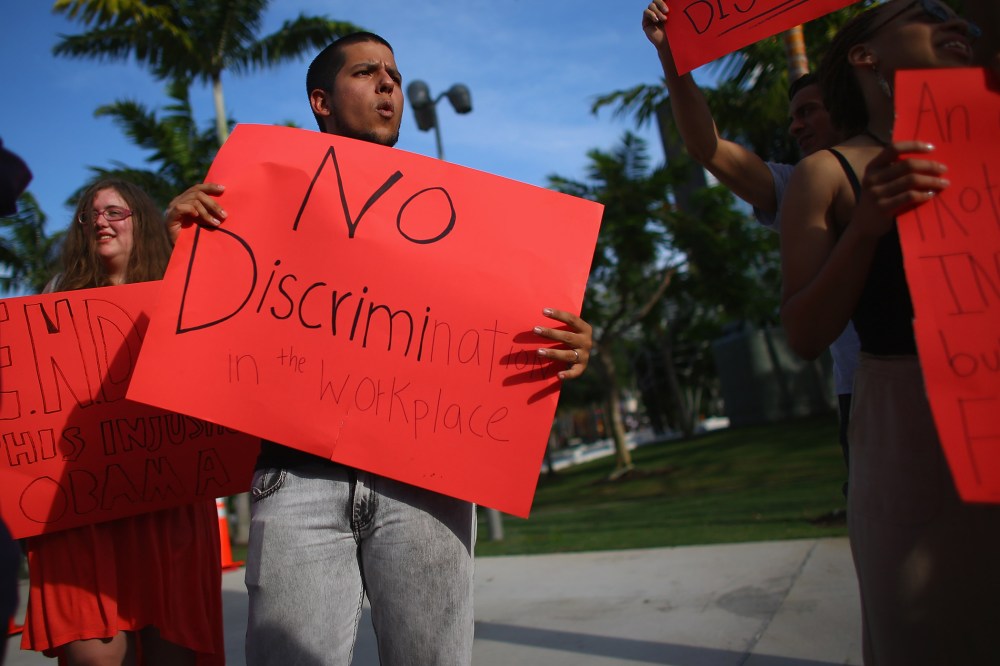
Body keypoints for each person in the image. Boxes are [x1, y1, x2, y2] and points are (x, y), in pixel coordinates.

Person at [166, 32, 594, 666]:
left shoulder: (462, 218)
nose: (388, 84)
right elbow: (213, 331)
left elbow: (495, 326)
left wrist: (569, 344)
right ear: (321, 101)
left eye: (393, 72)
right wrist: (187, 253)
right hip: (299, 477)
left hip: (429, 478)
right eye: (367, 73)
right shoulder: (253, 202)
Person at [778, 1, 1000, 662]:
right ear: (864, 56)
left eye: (959, 14)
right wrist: (869, 226)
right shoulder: (829, 174)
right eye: (926, 12)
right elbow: (805, 332)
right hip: (912, 425)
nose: (952, 22)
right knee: (930, 629)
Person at [641, 0, 859, 478]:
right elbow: (707, 149)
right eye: (791, 116)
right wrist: (671, 57)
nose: (795, 126)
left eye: (809, 111)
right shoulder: (798, 188)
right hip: (864, 395)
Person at [21, 179, 226, 666]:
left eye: (115, 212)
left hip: (168, 504)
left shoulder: (184, 288)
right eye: (89, 215)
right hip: (82, 512)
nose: (99, 221)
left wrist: (186, 249)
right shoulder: (49, 307)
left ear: (143, 221)